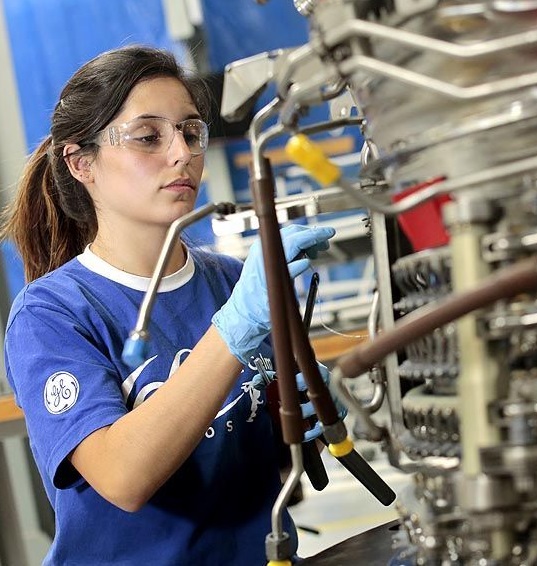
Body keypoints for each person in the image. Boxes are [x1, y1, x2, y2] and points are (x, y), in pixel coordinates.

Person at [1, 45, 337, 565]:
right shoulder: (50, 314)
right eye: (148, 137)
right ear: (81, 162)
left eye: (190, 131)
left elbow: (265, 466)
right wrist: (231, 331)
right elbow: (123, 478)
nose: (181, 153)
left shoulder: (232, 281)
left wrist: (307, 418)